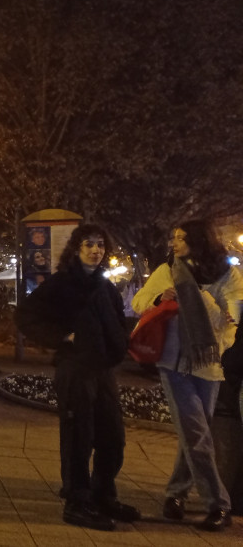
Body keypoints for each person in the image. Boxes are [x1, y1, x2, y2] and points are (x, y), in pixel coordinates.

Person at [17, 224, 139, 531]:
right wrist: (62, 337)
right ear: (76, 248)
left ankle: (103, 495)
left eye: (100, 245)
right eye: (89, 244)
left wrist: (121, 343)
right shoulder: (62, 283)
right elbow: (26, 316)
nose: (96, 250)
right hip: (75, 369)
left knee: (113, 437)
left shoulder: (105, 286)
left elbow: (117, 319)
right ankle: (77, 502)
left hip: (103, 370)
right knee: (78, 437)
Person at [131, 220, 241, 531]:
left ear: (199, 240)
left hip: (209, 364)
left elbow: (232, 315)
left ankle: (176, 494)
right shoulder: (169, 269)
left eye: (181, 238)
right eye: (174, 237)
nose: (174, 243)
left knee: (194, 435)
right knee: (196, 434)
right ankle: (218, 504)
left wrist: (197, 296)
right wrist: (159, 298)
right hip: (173, 363)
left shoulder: (226, 274)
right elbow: (139, 302)